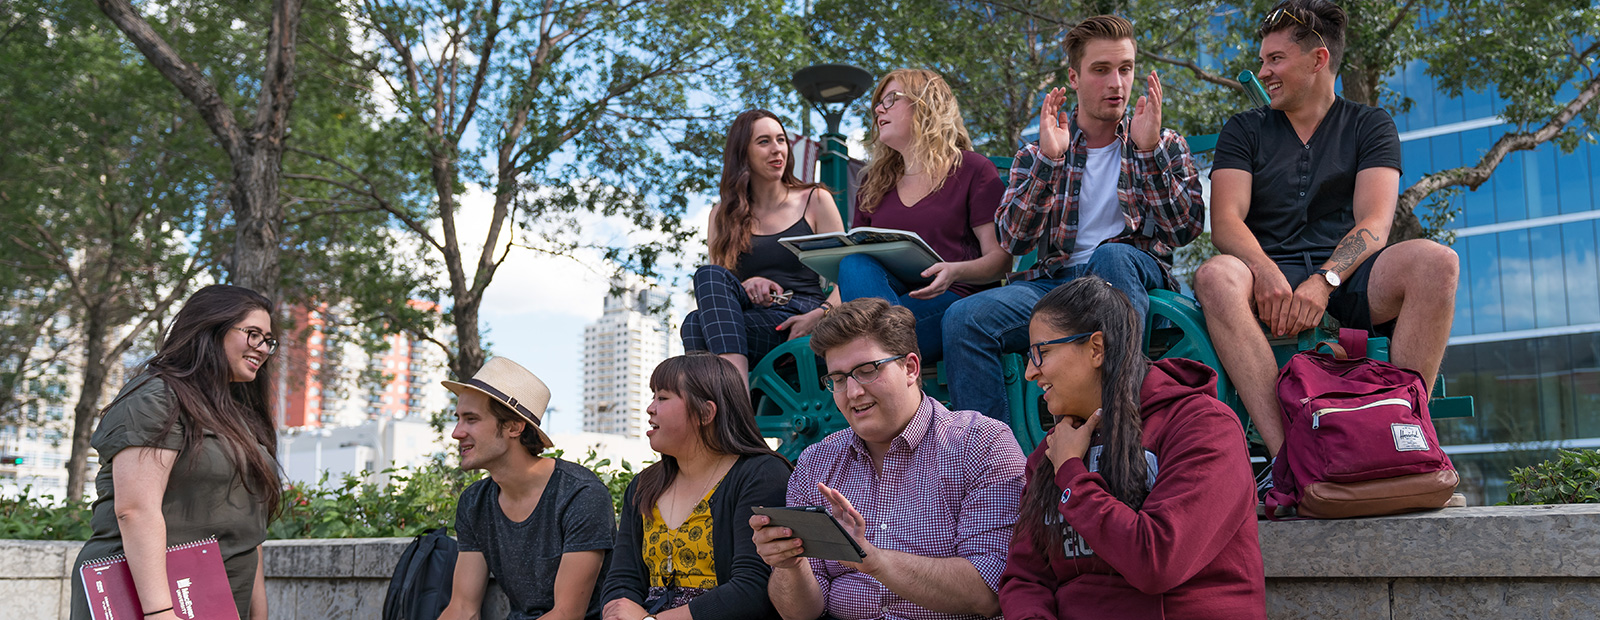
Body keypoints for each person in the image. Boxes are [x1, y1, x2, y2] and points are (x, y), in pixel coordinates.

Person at [1193, 0, 1459, 470]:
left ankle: (1410, 444)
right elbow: (1227, 221)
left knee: (1437, 262)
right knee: (1216, 276)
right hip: (1265, 280)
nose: (1264, 71)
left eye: (1275, 59)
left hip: (1350, 279)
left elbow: (1374, 224)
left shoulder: (1370, 125)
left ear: (1318, 59)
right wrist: (1266, 271)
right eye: (1262, 61)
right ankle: (1289, 464)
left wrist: (1324, 281)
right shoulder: (1244, 128)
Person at [942, 15, 1205, 421]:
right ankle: (993, 462)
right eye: (1101, 70)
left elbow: (1184, 230)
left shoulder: (1162, 141)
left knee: (1111, 256)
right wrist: (1050, 162)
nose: (1116, 83)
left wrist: (1150, 153)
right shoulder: (1037, 153)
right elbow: (1012, 241)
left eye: (1125, 68)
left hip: (1129, 271)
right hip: (1056, 283)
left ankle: (1121, 422)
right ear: (1074, 77)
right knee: (963, 318)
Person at [998, 277, 1266, 619]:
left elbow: (1158, 562)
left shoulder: (1203, 427)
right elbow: (1025, 578)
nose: (1030, 373)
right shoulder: (1052, 453)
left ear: (1096, 349)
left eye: (1042, 353)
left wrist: (1072, 476)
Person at [752, 298, 1026, 620]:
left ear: (910, 368)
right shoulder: (815, 462)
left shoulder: (980, 443)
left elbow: (988, 592)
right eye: (838, 379)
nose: (852, 392)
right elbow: (799, 613)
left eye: (867, 371)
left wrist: (871, 559)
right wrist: (790, 564)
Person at [69, 285, 283, 620]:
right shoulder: (156, 396)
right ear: (210, 329)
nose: (263, 348)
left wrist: (259, 614)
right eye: (252, 334)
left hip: (220, 598)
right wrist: (160, 612)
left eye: (268, 340)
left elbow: (246, 528)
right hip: (151, 598)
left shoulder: (239, 417)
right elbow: (135, 510)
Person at [836, 68, 1011, 361]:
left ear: (926, 103)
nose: (879, 108)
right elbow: (854, 275)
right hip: (887, 302)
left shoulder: (973, 169)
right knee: (854, 262)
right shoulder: (873, 183)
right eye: (878, 102)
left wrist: (954, 270)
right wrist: (824, 312)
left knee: (857, 338)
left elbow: (1000, 261)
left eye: (891, 99)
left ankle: (876, 365)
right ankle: (886, 368)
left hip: (955, 299)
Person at [602, 353, 793, 620]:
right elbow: (621, 581)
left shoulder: (761, 474)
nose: (650, 408)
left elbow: (753, 590)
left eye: (663, 397)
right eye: (652, 396)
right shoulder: (643, 484)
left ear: (706, 412)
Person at [440, 357, 616, 620]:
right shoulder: (474, 503)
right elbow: (463, 607)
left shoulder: (580, 495)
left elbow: (567, 614)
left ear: (514, 426)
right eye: (458, 419)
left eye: (471, 419)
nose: (456, 432)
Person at [681, 109, 846, 379]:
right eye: (764, 142)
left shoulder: (814, 200)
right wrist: (748, 284)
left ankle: (729, 404)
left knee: (695, 327)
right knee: (706, 281)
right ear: (743, 153)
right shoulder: (722, 214)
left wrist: (821, 314)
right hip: (748, 317)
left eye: (781, 140)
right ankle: (736, 399)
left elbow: (846, 276)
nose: (777, 150)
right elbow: (720, 291)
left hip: (801, 315)